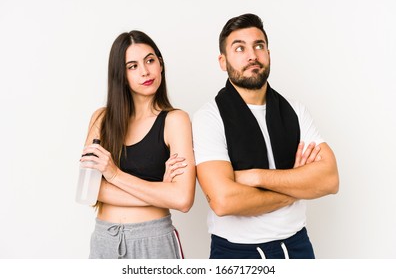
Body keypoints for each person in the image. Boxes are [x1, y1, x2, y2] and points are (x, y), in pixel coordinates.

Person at [192, 13, 339, 259]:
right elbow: (223, 200)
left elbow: (330, 180)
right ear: (222, 60)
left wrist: (254, 177)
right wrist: (297, 185)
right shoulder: (209, 117)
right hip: (237, 253)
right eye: (239, 48)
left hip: (297, 246)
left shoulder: (295, 110)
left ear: (268, 54)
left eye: (259, 46)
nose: (252, 55)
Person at [80, 30, 196, 259]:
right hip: (105, 239)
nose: (145, 71)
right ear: (121, 75)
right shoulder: (101, 120)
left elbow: (182, 199)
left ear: (160, 64)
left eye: (150, 60)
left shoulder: (175, 120)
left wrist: (114, 175)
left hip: (153, 240)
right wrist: (160, 191)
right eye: (132, 66)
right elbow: (87, 191)